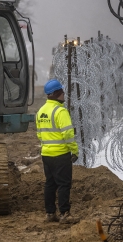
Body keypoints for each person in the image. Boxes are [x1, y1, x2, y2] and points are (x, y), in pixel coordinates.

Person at [36, 79, 80, 224]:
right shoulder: (60, 111)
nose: (63, 95)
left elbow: (39, 134)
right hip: (61, 154)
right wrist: (74, 151)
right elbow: (68, 134)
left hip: (46, 155)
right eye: (61, 92)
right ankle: (64, 214)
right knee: (63, 184)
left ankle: (50, 214)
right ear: (55, 94)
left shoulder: (41, 111)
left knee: (50, 184)